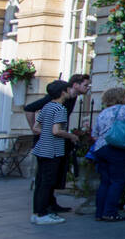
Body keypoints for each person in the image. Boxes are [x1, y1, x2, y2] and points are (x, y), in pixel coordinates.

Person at [24, 73, 90, 213]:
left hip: (48, 144)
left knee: (47, 178)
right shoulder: (58, 105)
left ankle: (44, 207)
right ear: (73, 86)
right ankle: (42, 211)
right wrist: (70, 135)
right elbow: (53, 129)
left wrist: (40, 130)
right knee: (46, 178)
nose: (88, 88)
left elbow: (38, 125)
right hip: (51, 145)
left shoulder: (53, 106)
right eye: (85, 85)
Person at [30, 80, 77, 225]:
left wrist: (47, 132)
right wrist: (71, 136)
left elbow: (36, 127)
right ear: (63, 92)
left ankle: (37, 212)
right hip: (52, 150)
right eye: (68, 89)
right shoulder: (60, 108)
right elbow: (56, 131)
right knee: (48, 182)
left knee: (41, 181)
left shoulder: (47, 106)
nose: (70, 92)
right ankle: (43, 214)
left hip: (41, 148)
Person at [90, 87, 125, 222]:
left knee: (105, 181)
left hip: (100, 149)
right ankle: (110, 212)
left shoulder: (103, 113)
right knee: (117, 181)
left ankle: (99, 213)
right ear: (120, 97)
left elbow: (94, 134)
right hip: (117, 149)